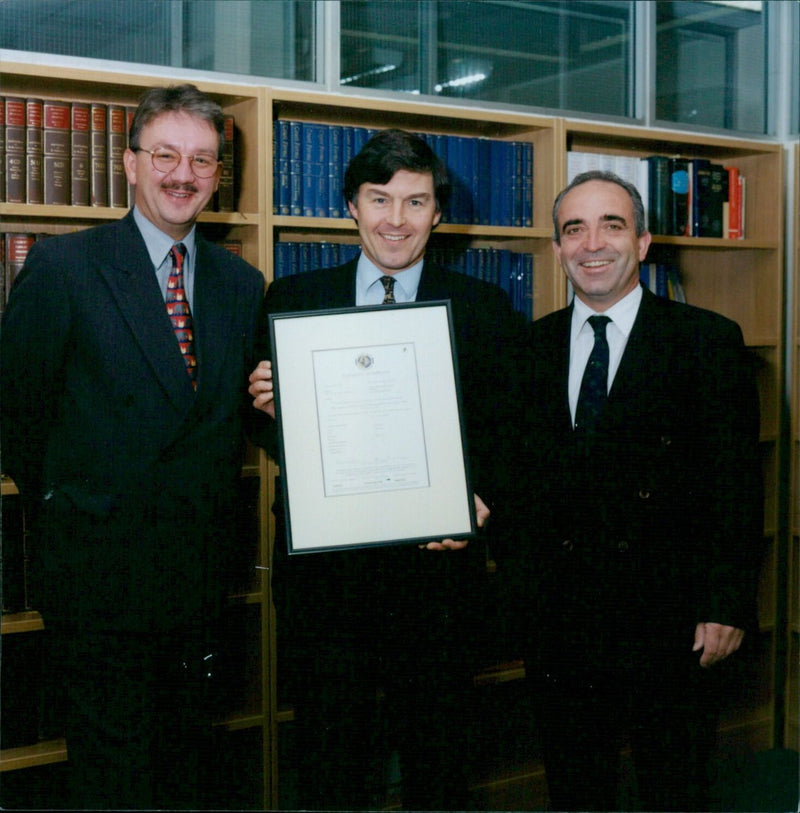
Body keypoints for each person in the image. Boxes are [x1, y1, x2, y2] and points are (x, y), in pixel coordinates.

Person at [1, 84, 268, 809]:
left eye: (203, 159)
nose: (183, 174)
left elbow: (240, 420)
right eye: (165, 155)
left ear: (219, 174)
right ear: (129, 163)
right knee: (113, 779)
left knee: (188, 768)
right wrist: (70, 505)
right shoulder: (65, 268)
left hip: (200, 582)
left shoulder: (242, 284)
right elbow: (14, 414)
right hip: (97, 577)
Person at [248, 128, 528, 809]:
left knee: (438, 764)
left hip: (437, 574)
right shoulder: (292, 298)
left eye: (415, 201)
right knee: (330, 760)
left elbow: (513, 438)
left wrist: (482, 501)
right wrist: (269, 403)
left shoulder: (486, 311)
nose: (395, 220)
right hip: (326, 581)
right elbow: (264, 431)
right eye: (380, 199)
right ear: (351, 205)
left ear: (437, 212)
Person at [503, 170, 764, 811]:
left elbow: (737, 486)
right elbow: (512, 475)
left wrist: (727, 605)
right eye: (575, 228)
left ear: (643, 243)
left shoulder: (707, 341)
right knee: (574, 787)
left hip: (669, 619)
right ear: (558, 247)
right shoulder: (526, 348)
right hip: (560, 621)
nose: (593, 243)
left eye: (612, 225)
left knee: (672, 787)